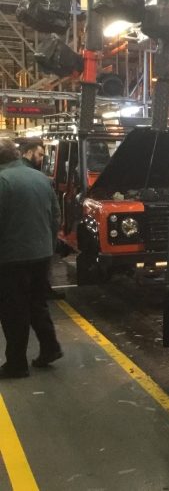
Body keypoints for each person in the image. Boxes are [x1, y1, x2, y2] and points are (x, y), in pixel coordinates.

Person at [0, 138, 62, 379]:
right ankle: (50, 348)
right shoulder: (40, 178)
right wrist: (47, 243)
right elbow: (55, 215)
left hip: (11, 257)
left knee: (13, 311)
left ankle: (16, 364)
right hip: (42, 254)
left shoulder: (3, 180)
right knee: (37, 302)